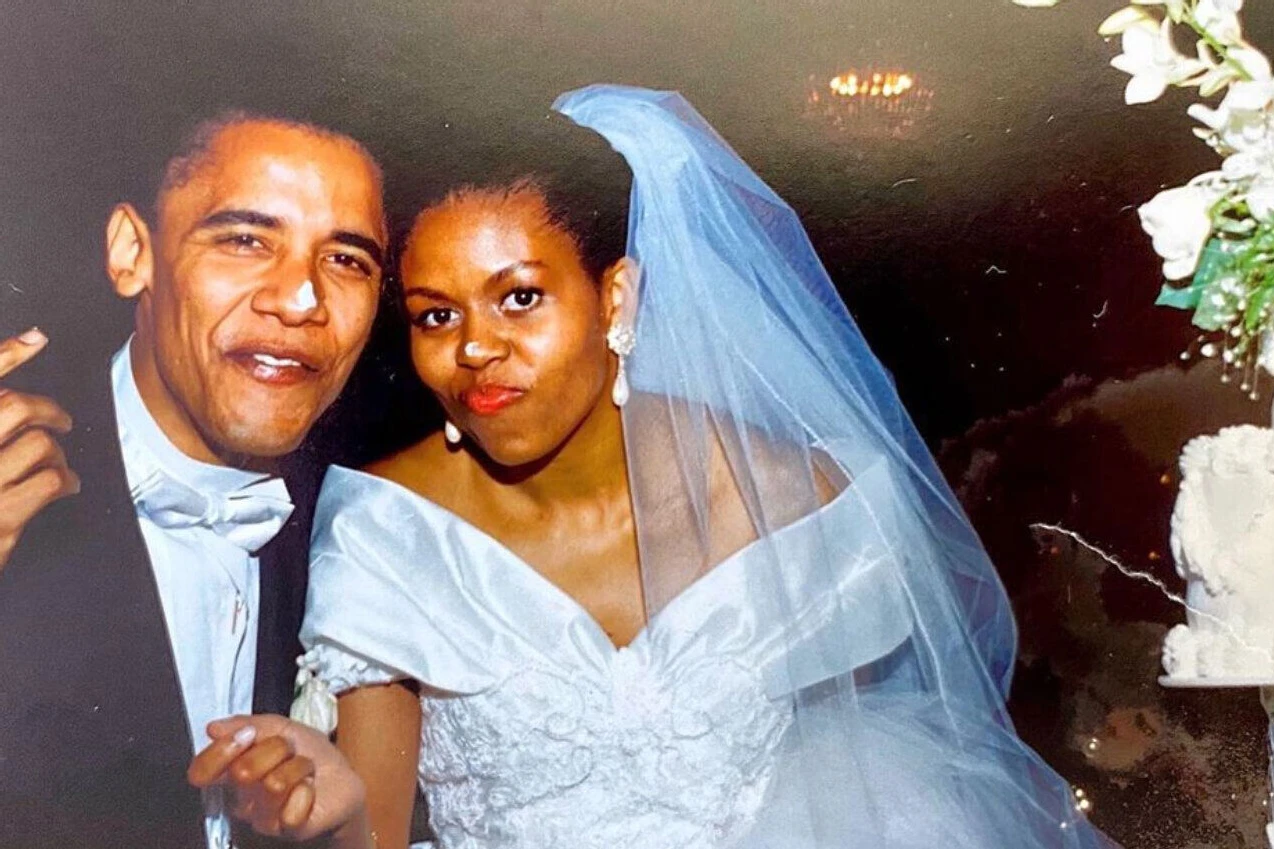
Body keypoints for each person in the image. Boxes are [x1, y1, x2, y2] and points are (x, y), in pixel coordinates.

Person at [296, 85, 1119, 848]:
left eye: (519, 298)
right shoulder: (389, 528)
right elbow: (369, 829)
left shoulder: (804, 502)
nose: (475, 347)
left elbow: (890, 747)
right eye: (436, 315)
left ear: (616, 298)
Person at [0, 112, 388, 849]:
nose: (301, 299)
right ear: (132, 252)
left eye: (346, 260)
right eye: (245, 240)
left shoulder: (363, 533)